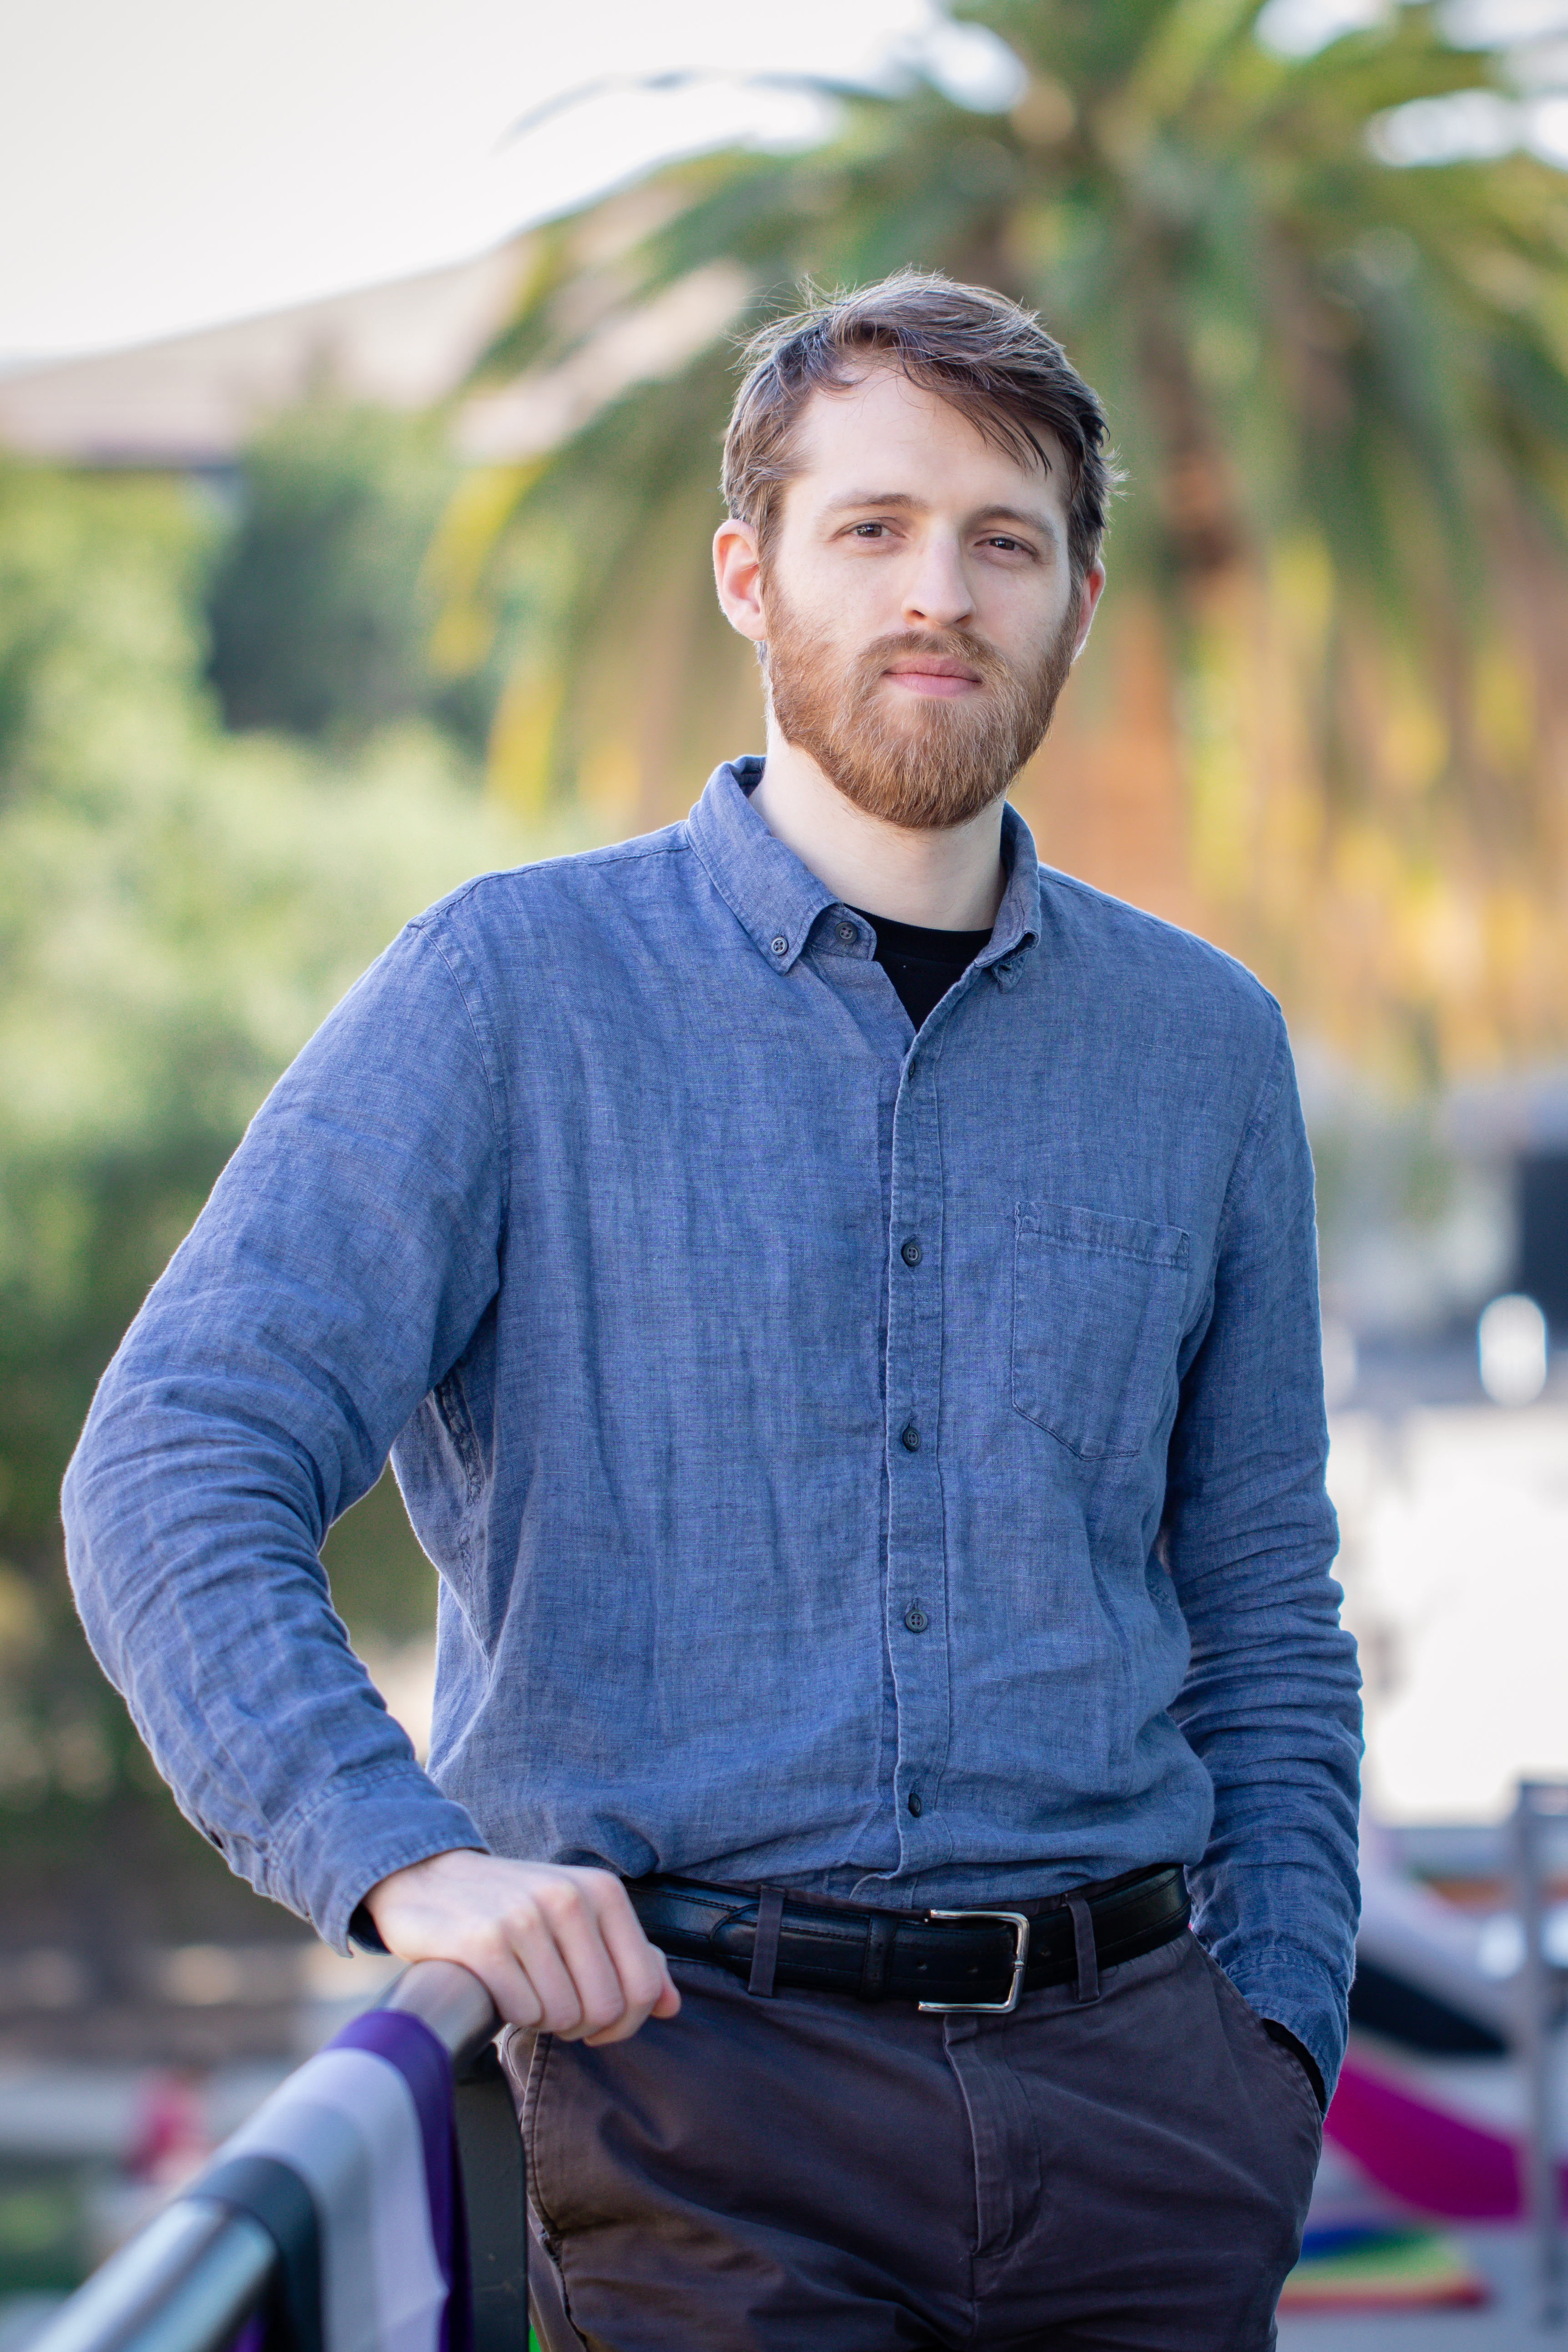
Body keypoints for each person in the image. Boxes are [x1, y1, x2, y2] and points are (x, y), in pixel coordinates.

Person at [64, 271, 1361, 2349]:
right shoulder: (504, 994)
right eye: (872, 528)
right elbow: (175, 1458)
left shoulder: (1204, 1051)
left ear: (1077, 604)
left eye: (1002, 539)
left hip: (1148, 2127)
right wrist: (400, 1863)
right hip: (678, 2108)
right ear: (751, 576)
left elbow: (1264, 1603)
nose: (937, 590)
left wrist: (1276, 2038)